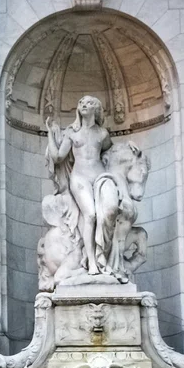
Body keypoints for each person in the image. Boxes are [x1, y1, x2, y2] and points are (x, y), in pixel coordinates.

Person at [46, 95, 112, 275]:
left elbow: (112, 153)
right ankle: (91, 262)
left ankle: (104, 257)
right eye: (81, 102)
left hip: (99, 176)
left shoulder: (103, 133)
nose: (84, 104)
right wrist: (50, 135)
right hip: (79, 177)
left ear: (96, 109)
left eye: (89, 102)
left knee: (106, 215)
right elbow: (58, 157)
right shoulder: (71, 133)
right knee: (90, 215)